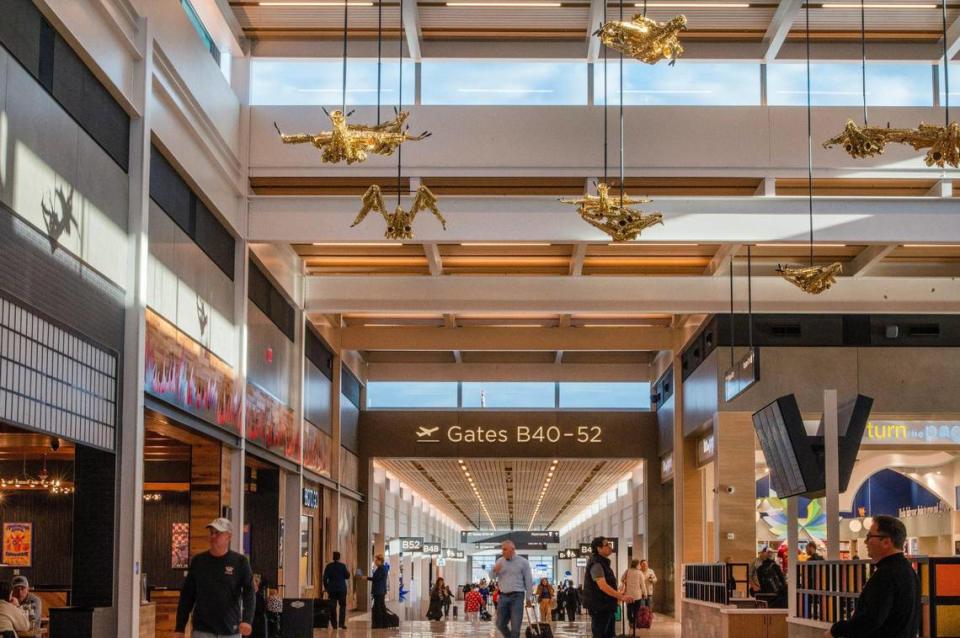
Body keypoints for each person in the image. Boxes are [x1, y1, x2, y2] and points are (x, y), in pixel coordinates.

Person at [824, 515, 920, 638]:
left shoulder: (886, 575)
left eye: (869, 536)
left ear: (886, 542)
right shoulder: (909, 571)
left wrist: (836, 630)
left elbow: (871, 619)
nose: (865, 541)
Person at [174, 518, 255, 638]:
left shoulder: (240, 562)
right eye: (211, 532)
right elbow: (187, 596)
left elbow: (249, 593)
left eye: (218, 533)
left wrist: (247, 620)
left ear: (228, 536)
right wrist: (180, 628)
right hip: (202, 630)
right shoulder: (198, 562)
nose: (213, 536)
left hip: (229, 630)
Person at [582, 537, 633, 638]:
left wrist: (618, 593)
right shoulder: (596, 564)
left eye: (609, 544)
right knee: (600, 634)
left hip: (606, 606)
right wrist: (620, 596)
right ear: (598, 548)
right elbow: (602, 586)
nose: (610, 547)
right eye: (606, 545)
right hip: (600, 607)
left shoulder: (603, 563)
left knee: (609, 634)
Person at [491, 540, 534, 638]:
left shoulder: (523, 562)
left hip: (517, 597)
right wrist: (494, 570)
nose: (502, 552)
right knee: (500, 624)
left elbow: (528, 581)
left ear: (512, 550)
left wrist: (528, 598)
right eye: (502, 549)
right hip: (503, 597)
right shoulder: (500, 561)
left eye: (505, 549)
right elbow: (492, 577)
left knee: (515, 628)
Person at [323, 551, 351, 630]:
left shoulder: (328, 566)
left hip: (332, 590)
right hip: (342, 589)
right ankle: (341, 624)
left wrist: (326, 587)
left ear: (333, 557)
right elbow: (347, 576)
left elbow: (324, 578)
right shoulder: (342, 566)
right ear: (339, 558)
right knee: (342, 606)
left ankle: (334, 624)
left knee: (332, 606)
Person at [620, 559, 646, 629]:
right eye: (639, 564)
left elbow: (622, 579)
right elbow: (642, 584)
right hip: (637, 595)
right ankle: (634, 622)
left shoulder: (627, 571)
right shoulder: (640, 573)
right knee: (636, 610)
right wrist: (645, 593)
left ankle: (630, 621)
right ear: (637, 565)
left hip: (629, 594)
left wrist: (626, 581)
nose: (640, 565)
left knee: (629, 609)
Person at [367, 554, 388, 626]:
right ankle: (384, 623)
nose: (375, 562)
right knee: (381, 607)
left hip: (379, 591)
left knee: (378, 607)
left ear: (380, 560)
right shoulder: (382, 568)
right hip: (381, 590)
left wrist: (366, 578)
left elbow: (376, 579)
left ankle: (379, 623)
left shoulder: (381, 569)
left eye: (376, 560)